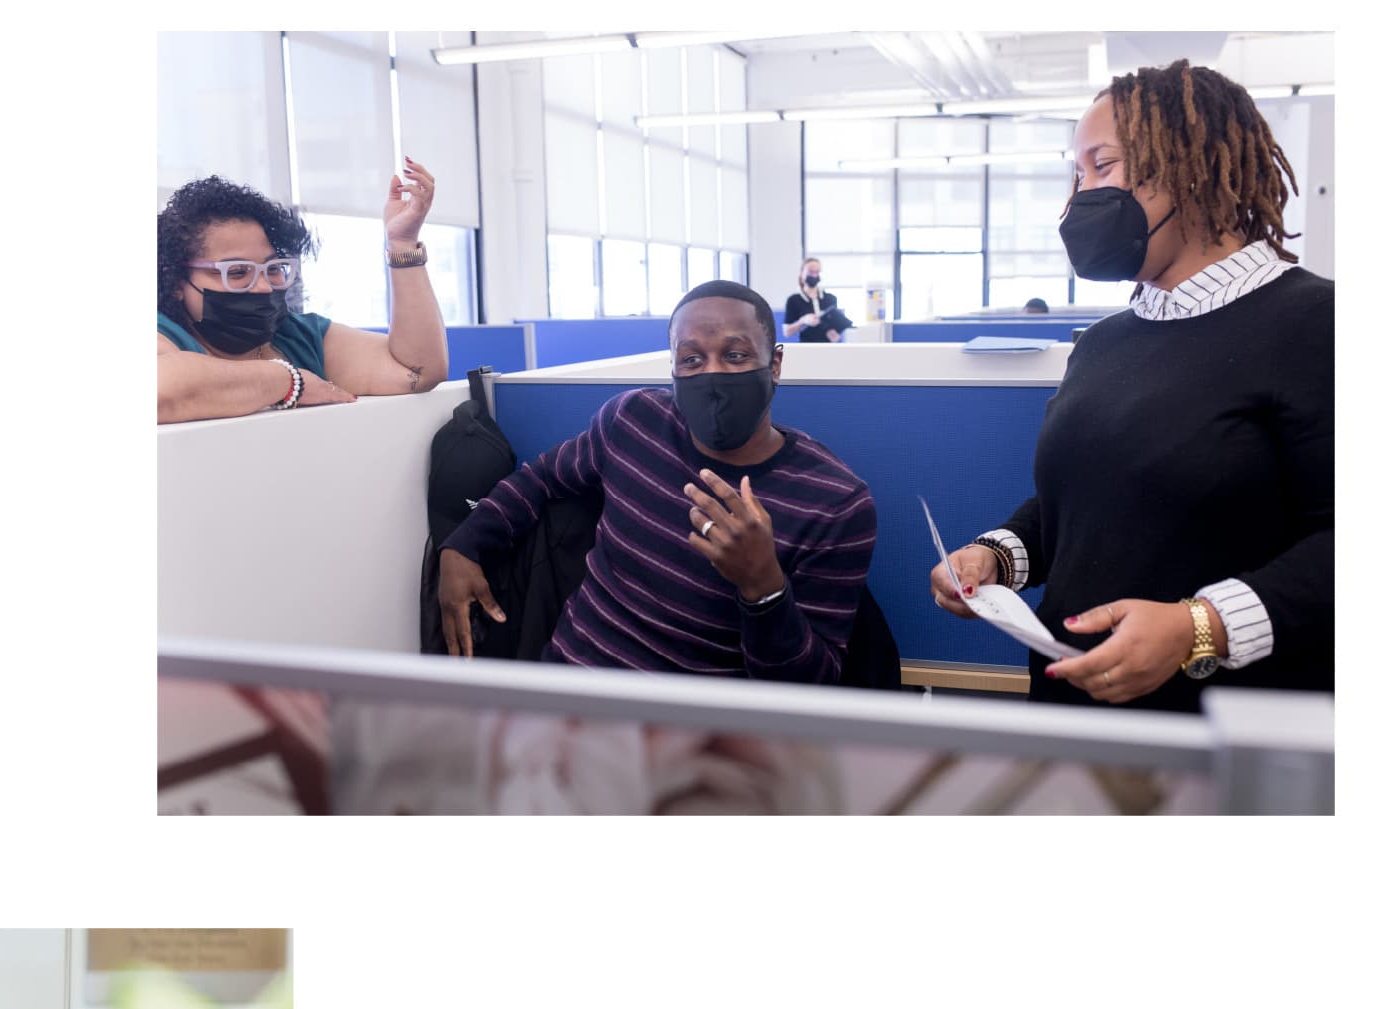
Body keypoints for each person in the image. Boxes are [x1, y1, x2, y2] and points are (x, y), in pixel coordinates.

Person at [928, 59, 1331, 709]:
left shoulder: (1318, 325)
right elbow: (1086, 504)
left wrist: (1199, 627)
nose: (1080, 196)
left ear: (1190, 164)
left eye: (1102, 166)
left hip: (1228, 731)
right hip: (1073, 709)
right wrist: (997, 558)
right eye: (1077, 173)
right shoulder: (1105, 341)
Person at [436, 280, 876, 681]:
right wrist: (466, 543)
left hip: (692, 743)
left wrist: (763, 589)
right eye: (691, 359)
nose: (713, 373)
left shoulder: (834, 501)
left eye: (736, 355)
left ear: (774, 364)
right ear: (672, 368)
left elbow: (809, 687)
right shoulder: (635, 421)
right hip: (570, 688)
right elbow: (543, 478)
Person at [157, 169, 451, 423]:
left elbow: (417, 371)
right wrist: (289, 381)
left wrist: (402, 244)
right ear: (175, 282)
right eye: (236, 273)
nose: (262, 287)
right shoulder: (163, 335)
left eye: (274, 269)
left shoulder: (296, 336)